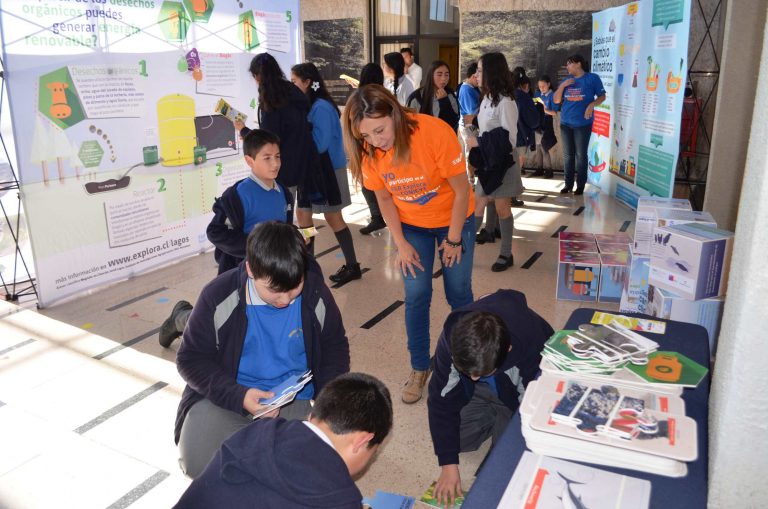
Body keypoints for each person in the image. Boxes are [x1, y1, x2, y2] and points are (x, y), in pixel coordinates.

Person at [174, 221, 350, 478]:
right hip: (226, 393)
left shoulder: (315, 292)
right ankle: (181, 316)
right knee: (199, 462)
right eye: (275, 291)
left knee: (306, 470)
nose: (286, 300)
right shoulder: (218, 294)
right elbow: (190, 359)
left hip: (292, 399)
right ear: (250, 270)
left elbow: (334, 346)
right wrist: (238, 395)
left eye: (294, 287)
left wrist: (327, 404)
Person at [342, 84, 475, 404]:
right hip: (412, 226)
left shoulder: (433, 132)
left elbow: (462, 190)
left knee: (458, 292)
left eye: (380, 130)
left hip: (454, 220)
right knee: (416, 294)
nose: (376, 141)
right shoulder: (370, 151)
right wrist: (400, 243)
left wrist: (454, 239)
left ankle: (466, 361)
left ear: (395, 113)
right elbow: (385, 198)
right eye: (367, 136)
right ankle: (419, 367)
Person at [173, 373, 393, 509]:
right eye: (372, 453)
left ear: (312, 415)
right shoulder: (341, 498)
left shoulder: (254, 434)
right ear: (363, 440)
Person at [159, 130, 293, 348]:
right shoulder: (238, 195)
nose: (275, 163)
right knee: (217, 323)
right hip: (238, 272)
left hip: (269, 275)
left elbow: (285, 229)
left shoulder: (284, 193)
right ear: (249, 161)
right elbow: (216, 231)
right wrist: (256, 247)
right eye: (266, 158)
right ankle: (181, 319)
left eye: (277, 156)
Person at [427, 290, 554, 506]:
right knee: (453, 442)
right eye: (468, 372)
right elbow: (440, 401)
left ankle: (500, 411)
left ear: (508, 349)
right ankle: (490, 410)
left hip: (517, 396)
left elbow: (532, 412)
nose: (474, 377)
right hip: (482, 391)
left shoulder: (531, 342)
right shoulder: (453, 339)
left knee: (507, 460)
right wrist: (448, 466)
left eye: (481, 373)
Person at [290, 62, 362, 285]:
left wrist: (296, 137)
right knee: (303, 216)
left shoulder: (321, 107)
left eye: (294, 82)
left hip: (328, 171)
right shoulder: (309, 106)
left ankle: (352, 265)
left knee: (333, 217)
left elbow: (320, 145)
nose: (292, 86)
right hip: (311, 172)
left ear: (307, 82)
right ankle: (307, 264)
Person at [233, 52, 316, 197]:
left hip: (281, 167)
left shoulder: (271, 98)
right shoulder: (293, 90)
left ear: (258, 76)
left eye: (254, 76)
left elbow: (268, 140)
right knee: (290, 208)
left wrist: (244, 131)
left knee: (278, 211)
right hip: (301, 162)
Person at [466, 52, 520, 272]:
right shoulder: (487, 98)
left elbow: (510, 139)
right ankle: (465, 252)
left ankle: (506, 254)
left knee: (502, 208)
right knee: (478, 203)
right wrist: (473, 129)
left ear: (491, 72)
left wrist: (478, 141)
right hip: (489, 160)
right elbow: (488, 129)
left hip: (503, 162)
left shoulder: (506, 102)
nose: (476, 75)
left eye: (479, 70)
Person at [553, 54, 606, 195]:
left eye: (569, 63)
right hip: (565, 123)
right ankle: (567, 184)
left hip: (582, 124)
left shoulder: (592, 78)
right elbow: (556, 100)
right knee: (567, 155)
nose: (567, 66)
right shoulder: (566, 81)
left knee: (581, 155)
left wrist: (592, 104)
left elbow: (602, 96)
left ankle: (580, 186)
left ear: (578, 64)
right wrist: (563, 85)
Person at [357, 63, 387, 236]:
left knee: (368, 184)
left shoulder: (359, 98)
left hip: (366, 148)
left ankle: (377, 217)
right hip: (384, 147)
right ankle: (380, 217)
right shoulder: (384, 95)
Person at [406, 60, 460, 132]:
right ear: (431, 75)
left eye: (446, 75)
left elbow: (453, 123)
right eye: (439, 74)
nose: (444, 78)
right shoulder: (416, 97)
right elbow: (409, 125)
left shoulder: (450, 95)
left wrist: (444, 102)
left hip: (444, 140)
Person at [531, 75, 558, 178]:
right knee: (538, 146)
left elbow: (554, 112)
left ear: (549, 84)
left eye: (543, 86)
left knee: (544, 147)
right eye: (540, 86)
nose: (541, 88)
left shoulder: (553, 95)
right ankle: (539, 168)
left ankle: (549, 170)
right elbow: (533, 104)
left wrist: (543, 109)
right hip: (537, 122)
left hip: (546, 122)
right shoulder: (537, 94)